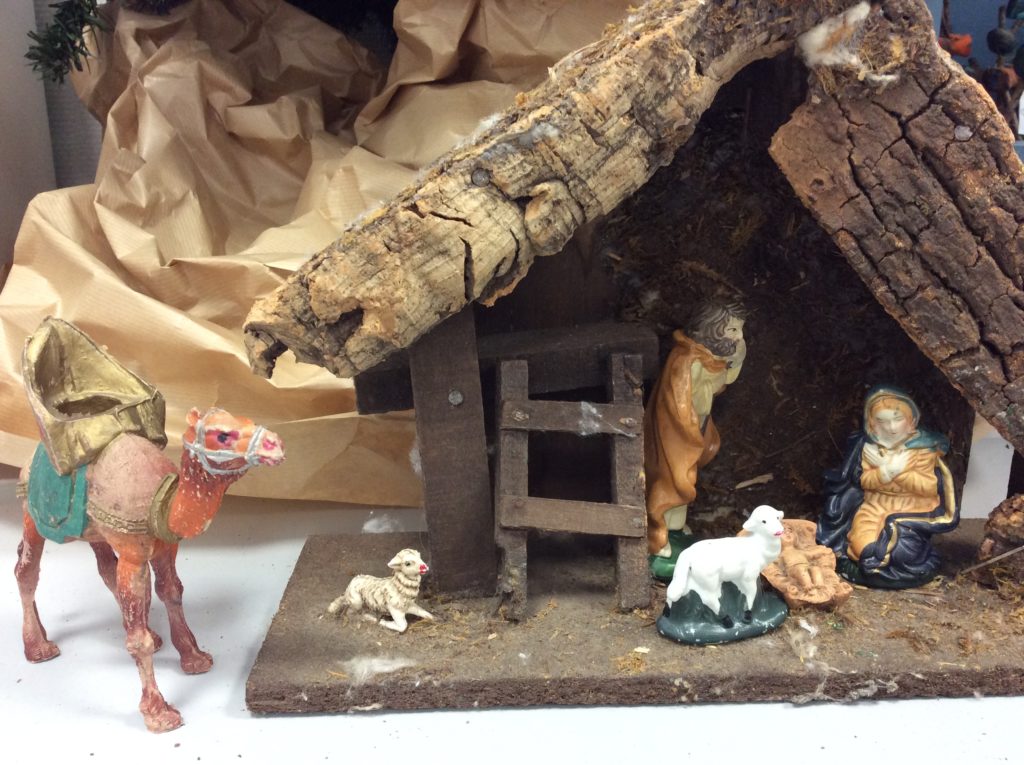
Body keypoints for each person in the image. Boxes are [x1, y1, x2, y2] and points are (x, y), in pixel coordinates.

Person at [643, 300, 746, 580]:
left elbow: (717, 385)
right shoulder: (686, 359)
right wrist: (687, 430)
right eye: (732, 330)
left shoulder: (706, 359)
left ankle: (674, 528)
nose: (738, 336)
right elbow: (679, 399)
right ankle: (657, 537)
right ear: (712, 329)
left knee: (686, 479)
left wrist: (735, 359)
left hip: (694, 428)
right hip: (676, 431)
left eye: (740, 330)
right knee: (672, 478)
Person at [817, 386, 959, 588]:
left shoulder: (924, 450)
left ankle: (908, 562)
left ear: (912, 421)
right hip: (874, 506)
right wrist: (885, 471)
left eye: (897, 419)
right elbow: (865, 481)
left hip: (912, 509)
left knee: (900, 553)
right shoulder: (869, 449)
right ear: (872, 424)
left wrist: (897, 471)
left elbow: (928, 486)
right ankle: (873, 567)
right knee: (862, 549)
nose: (891, 427)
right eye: (882, 421)